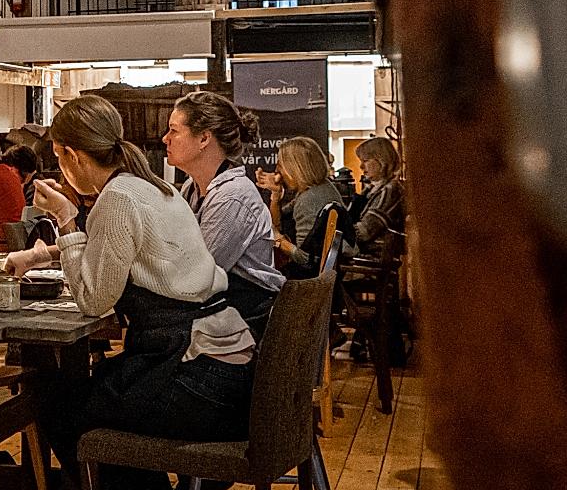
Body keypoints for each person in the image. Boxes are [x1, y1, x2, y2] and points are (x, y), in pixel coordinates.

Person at [7, 95, 256, 490]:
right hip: (221, 366)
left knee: (61, 407)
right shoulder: (151, 187)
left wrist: (68, 220)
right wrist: (61, 241)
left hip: (197, 375)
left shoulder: (119, 198)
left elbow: (93, 298)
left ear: (71, 156)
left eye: (59, 157)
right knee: (85, 399)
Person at [163, 91, 285, 337]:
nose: (165, 139)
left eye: (174, 131)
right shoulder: (192, 187)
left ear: (204, 138)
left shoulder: (232, 196)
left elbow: (197, 276)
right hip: (217, 313)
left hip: (246, 323)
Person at [259, 135, 346, 276]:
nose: (277, 170)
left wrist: (277, 238)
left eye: (280, 165)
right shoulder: (323, 187)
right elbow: (280, 220)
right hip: (328, 275)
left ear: (294, 167)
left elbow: (305, 259)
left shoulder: (309, 199)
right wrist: (276, 194)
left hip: (309, 279)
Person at [352, 135, 406, 245]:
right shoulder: (371, 190)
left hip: (375, 253)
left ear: (382, 161)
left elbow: (365, 232)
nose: (361, 166)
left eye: (365, 161)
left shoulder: (390, 191)